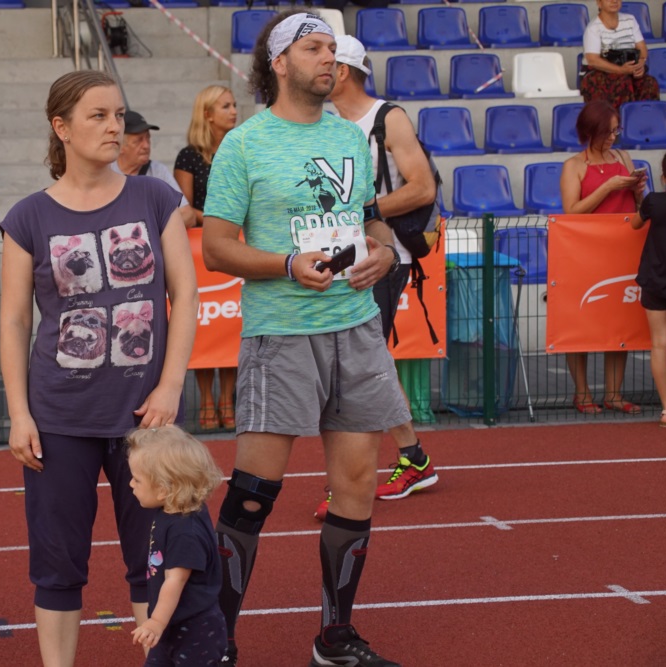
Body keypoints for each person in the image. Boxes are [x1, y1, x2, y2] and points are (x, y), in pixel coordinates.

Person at [201, 11, 408, 667]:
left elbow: (371, 222)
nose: (330, 59)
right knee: (253, 492)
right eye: (315, 47)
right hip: (281, 333)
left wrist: (382, 252)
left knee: (357, 482)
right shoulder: (244, 144)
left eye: (333, 50)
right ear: (280, 62)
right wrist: (287, 265)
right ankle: (214, 639)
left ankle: (334, 638)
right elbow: (216, 247)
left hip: (357, 327)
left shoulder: (349, 136)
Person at [0, 70, 198, 667]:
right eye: (99, 116)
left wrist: (170, 385)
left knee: (154, 560)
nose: (116, 127)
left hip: (147, 416)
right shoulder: (27, 217)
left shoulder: (155, 197)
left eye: (118, 115)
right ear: (61, 128)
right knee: (57, 565)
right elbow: (14, 322)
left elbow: (185, 294)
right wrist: (19, 414)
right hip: (58, 416)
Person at [317, 34, 439, 510]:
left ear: (343, 71)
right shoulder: (329, 123)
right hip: (350, 261)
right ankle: (413, 457)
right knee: (364, 364)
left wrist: (361, 213)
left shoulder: (387, 116)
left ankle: (355, 478)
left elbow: (423, 188)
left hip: (387, 258)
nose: (321, 71)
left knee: (356, 368)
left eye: (327, 63)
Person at [560, 99, 645, 415]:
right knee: (580, 321)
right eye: (606, 132)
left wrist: (637, 191)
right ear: (589, 131)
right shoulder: (574, 166)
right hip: (585, 253)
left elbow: (638, 206)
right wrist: (608, 187)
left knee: (619, 321)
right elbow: (571, 212)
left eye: (615, 131)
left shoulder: (623, 157)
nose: (612, 138)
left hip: (623, 248)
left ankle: (614, 392)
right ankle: (582, 393)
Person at [127, 425, 225, 666]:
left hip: (194, 629)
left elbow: (175, 580)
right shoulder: (172, 510)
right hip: (173, 622)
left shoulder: (185, 533)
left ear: (163, 489)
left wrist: (156, 622)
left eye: (137, 479)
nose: (130, 484)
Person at [174, 85, 239, 432]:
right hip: (201, 250)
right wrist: (212, 220)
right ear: (207, 114)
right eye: (225, 106)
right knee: (206, 327)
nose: (234, 111)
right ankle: (207, 402)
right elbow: (184, 209)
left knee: (230, 326)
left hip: (235, 244)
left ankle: (227, 401)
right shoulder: (189, 156)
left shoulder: (242, 148)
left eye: (234, 105)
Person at [632, 150, 666, 427]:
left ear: (663, 177)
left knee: (659, 345)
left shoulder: (655, 201)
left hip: (655, 280)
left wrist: (640, 199)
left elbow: (635, 224)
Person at [112, 110, 196, 228]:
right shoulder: (105, 172)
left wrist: (151, 230)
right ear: (120, 146)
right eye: (138, 141)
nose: (146, 145)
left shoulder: (157, 171)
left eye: (148, 138)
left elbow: (188, 215)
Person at [580, 0, 659, 111]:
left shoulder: (630, 20)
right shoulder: (593, 28)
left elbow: (642, 49)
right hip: (599, 73)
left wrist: (639, 65)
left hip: (627, 70)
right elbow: (593, 60)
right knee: (622, 82)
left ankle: (643, 119)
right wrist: (621, 70)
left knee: (649, 83)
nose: (614, 1)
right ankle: (620, 120)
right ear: (599, 3)